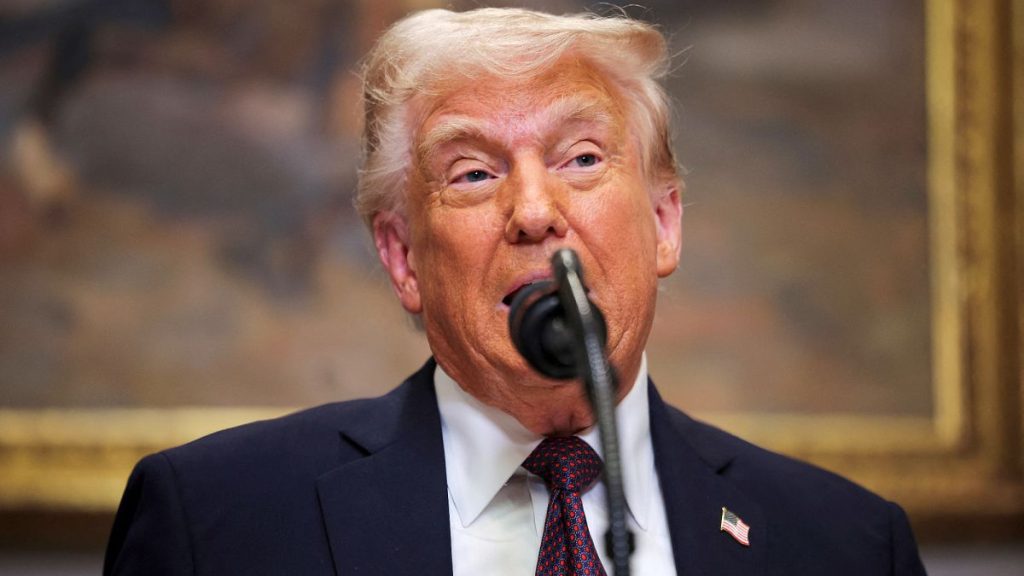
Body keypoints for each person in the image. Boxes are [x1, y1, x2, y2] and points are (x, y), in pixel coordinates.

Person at [104, 7, 927, 575]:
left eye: (581, 159)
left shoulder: (846, 545)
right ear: (402, 259)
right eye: (473, 172)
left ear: (664, 223)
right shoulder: (217, 524)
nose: (535, 212)